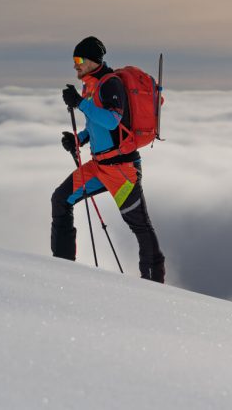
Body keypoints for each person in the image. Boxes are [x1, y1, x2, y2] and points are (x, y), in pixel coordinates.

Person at [51, 36, 166, 283]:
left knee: (140, 226)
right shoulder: (91, 86)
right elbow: (97, 127)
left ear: (93, 61)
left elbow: (112, 120)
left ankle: (155, 283)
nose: (75, 65)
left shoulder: (110, 84)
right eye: (74, 60)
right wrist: (79, 139)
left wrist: (80, 104)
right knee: (60, 199)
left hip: (122, 170)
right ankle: (61, 268)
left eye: (79, 60)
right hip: (99, 166)